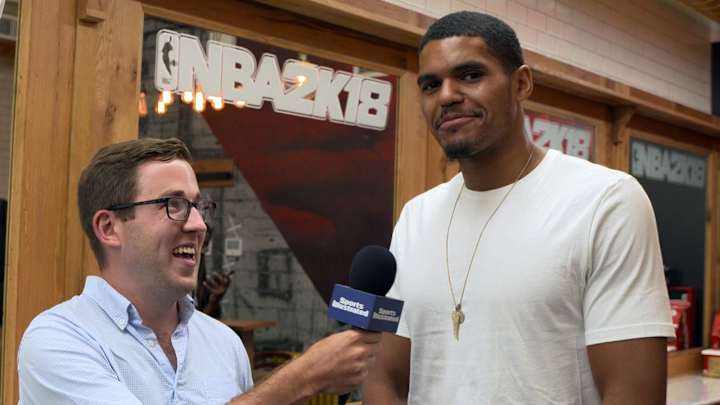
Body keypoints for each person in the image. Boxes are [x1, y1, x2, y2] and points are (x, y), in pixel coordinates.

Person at [364, 11, 674, 405]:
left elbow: (634, 394)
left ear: (521, 83)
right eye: (431, 85)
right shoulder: (416, 217)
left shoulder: (606, 201)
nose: (446, 96)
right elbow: (384, 379)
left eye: (470, 75)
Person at [18, 137, 380, 404]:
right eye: (173, 205)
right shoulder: (58, 340)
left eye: (198, 206)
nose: (198, 224)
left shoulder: (224, 343)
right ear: (109, 228)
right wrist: (303, 378)